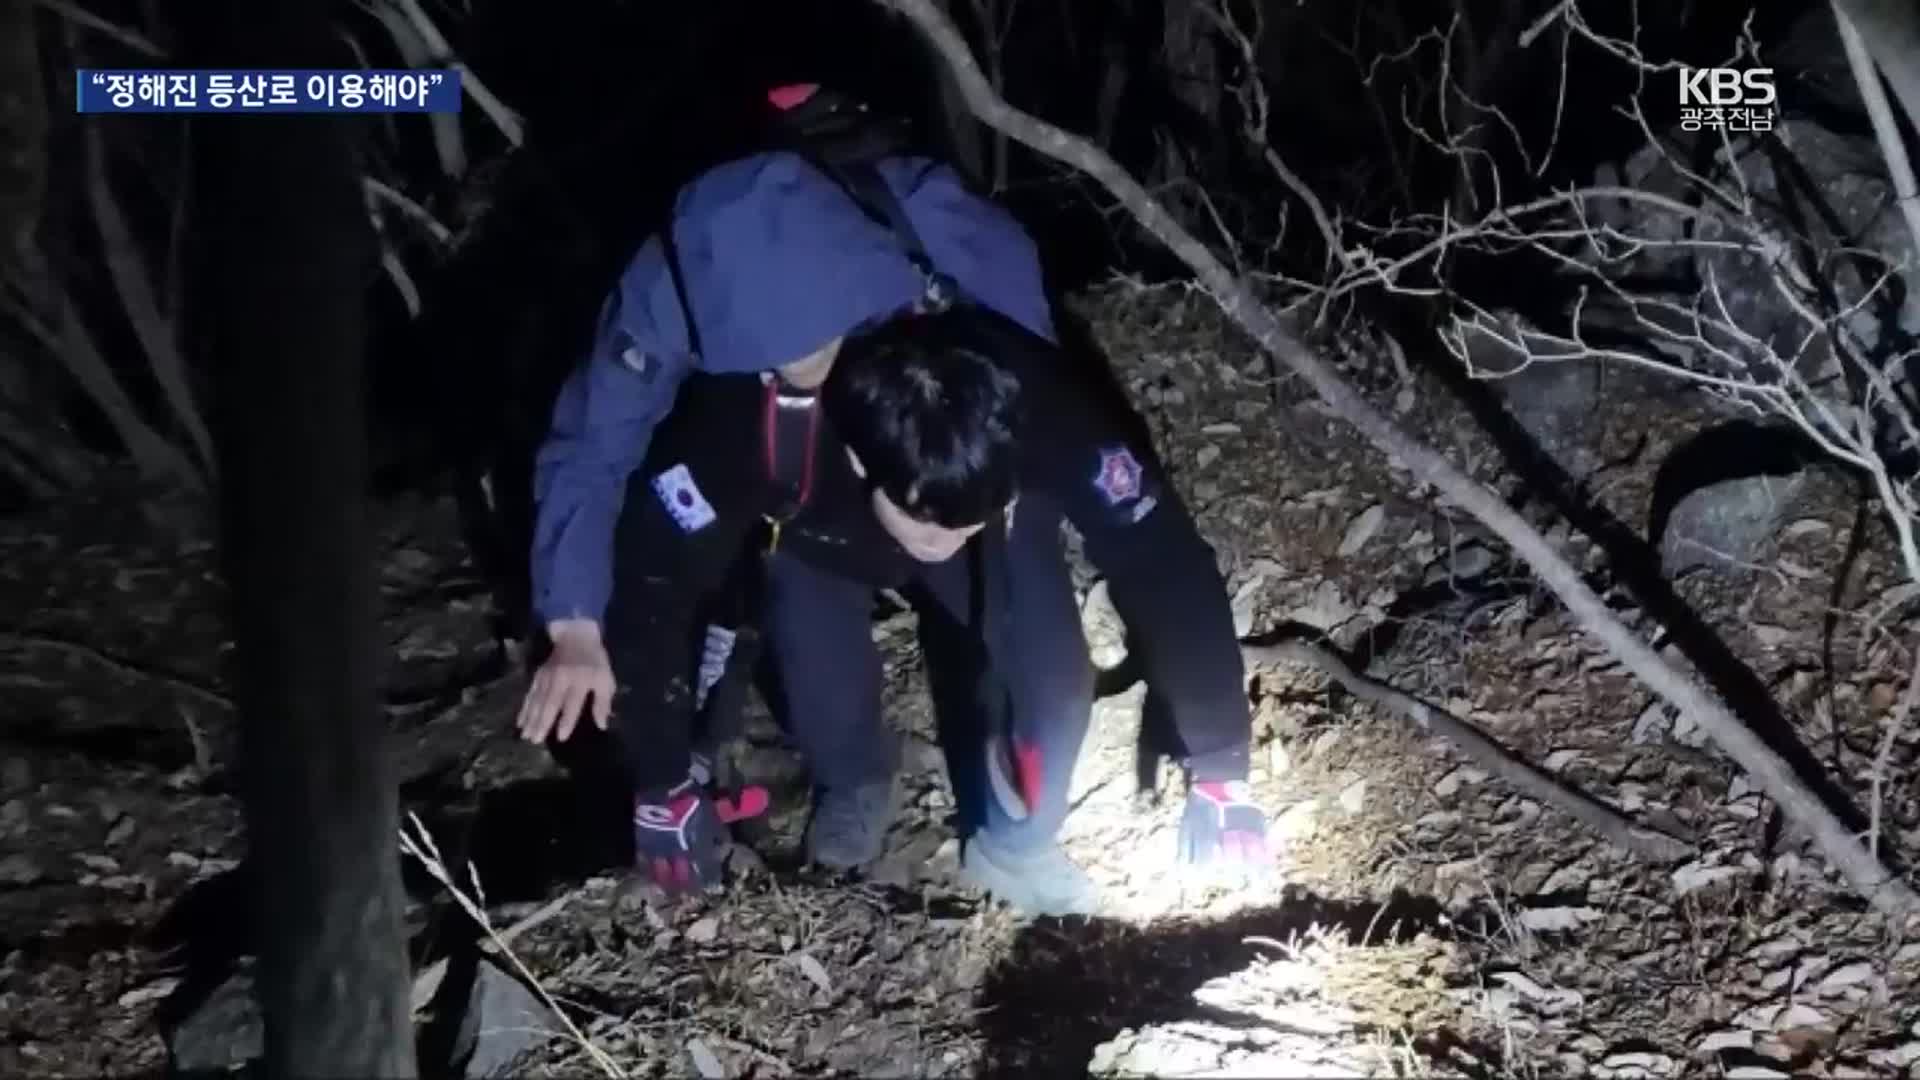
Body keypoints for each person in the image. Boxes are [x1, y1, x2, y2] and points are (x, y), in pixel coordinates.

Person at [515, 86, 1271, 912]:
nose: (800, 367)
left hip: (964, 460)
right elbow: (636, 538)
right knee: (818, 667)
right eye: (782, 359)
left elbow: (1156, 553)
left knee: (1049, 680)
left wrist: (1223, 768)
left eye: (813, 348)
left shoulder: (983, 318)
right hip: (809, 505)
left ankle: (1014, 847)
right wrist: (582, 638)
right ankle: (854, 786)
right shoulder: (712, 373)